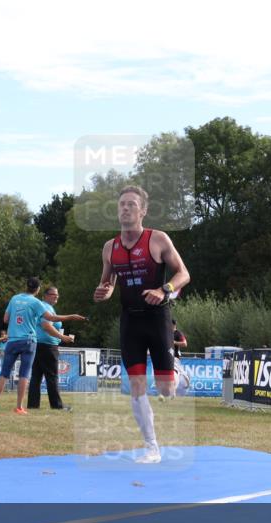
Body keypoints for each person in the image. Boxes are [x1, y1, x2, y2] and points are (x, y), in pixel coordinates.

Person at [93, 185, 190, 463]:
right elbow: (107, 282)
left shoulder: (157, 240)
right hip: (130, 320)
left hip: (157, 318)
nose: (125, 208)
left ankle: (179, 374)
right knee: (136, 385)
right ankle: (152, 448)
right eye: (122, 204)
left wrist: (165, 289)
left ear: (143, 211)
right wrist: (105, 292)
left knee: (166, 390)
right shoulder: (109, 248)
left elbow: (184, 273)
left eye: (131, 205)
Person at [0, 277, 85, 415]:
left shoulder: (15, 298)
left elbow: (6, 319)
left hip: (13, 340)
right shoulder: (36, 302)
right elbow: (50, 319)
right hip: (29, 341)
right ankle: (19, 407)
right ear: (39, 289)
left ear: (26, 286)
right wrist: (71, 316)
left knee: (4, 373)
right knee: (24, 374)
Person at [28, 285, 77, 411]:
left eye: (57, 294)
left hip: (37, 344)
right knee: (52, 376)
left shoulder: (45, 307)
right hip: (47, 346)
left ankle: (33, 405)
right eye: (53, 294)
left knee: (36, 376)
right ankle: (57, 405)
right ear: (45, 295)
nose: (56, 296)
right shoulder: (45, 307)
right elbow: (46, 326)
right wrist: (63, 337)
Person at [171, 319, 190, 397]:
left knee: (175, 373)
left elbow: (185, 344)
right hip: (166, 357)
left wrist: (174, 342)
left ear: (173, 325)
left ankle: (173, 391)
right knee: (170, 373)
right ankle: (172, 391)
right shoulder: (166, 333)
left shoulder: (178, 333)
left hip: (175, 357)